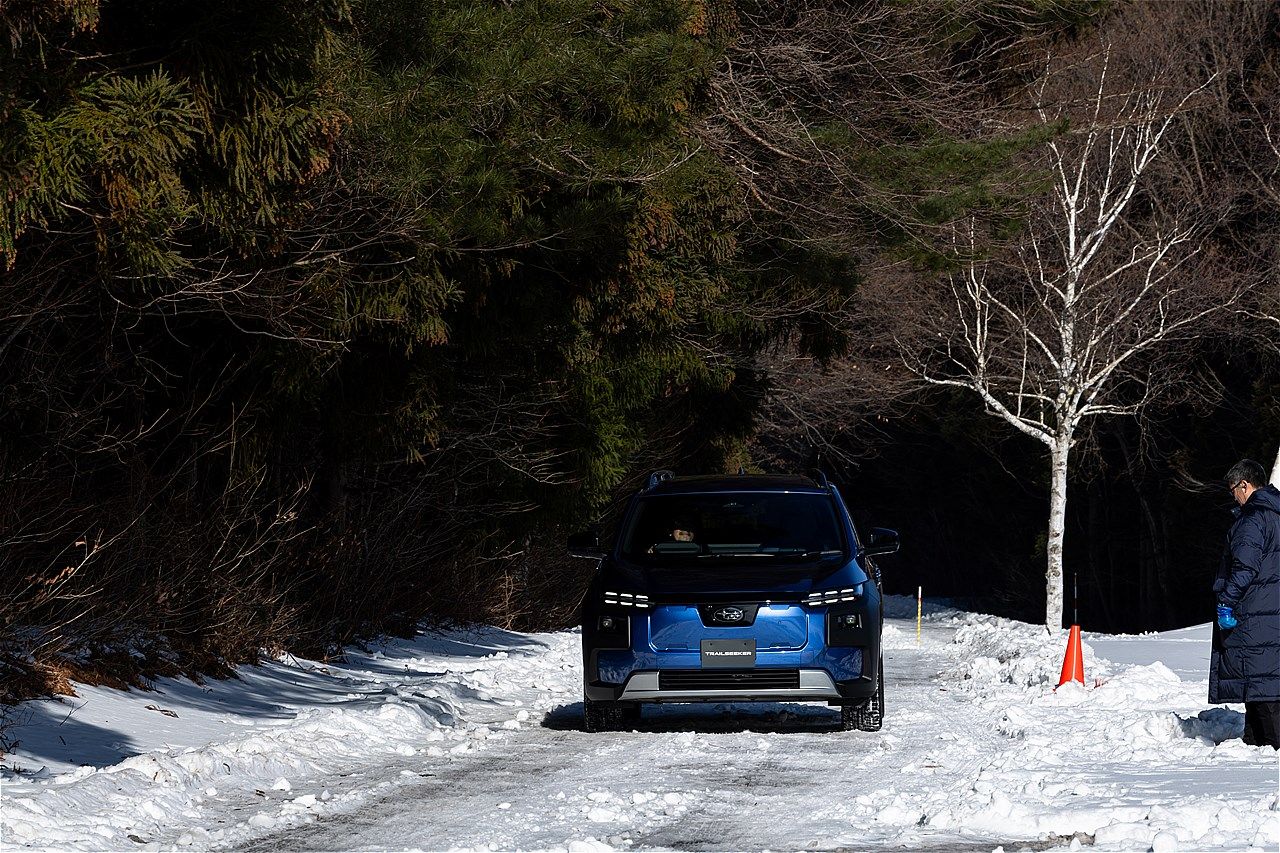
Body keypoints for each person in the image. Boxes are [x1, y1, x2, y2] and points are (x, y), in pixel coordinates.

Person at [1210, 458, 1280, 749]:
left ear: (1245, 485)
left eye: (1233, 490)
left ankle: (1272, 746)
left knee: (1263, 687)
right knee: (1261, 684)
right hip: (1271, 610)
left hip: (1254, 614)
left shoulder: (1252, 519)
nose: (1233, 497)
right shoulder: (1275, 513)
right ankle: (1255, 745)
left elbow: (1244, 568)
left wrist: (1226, 601)